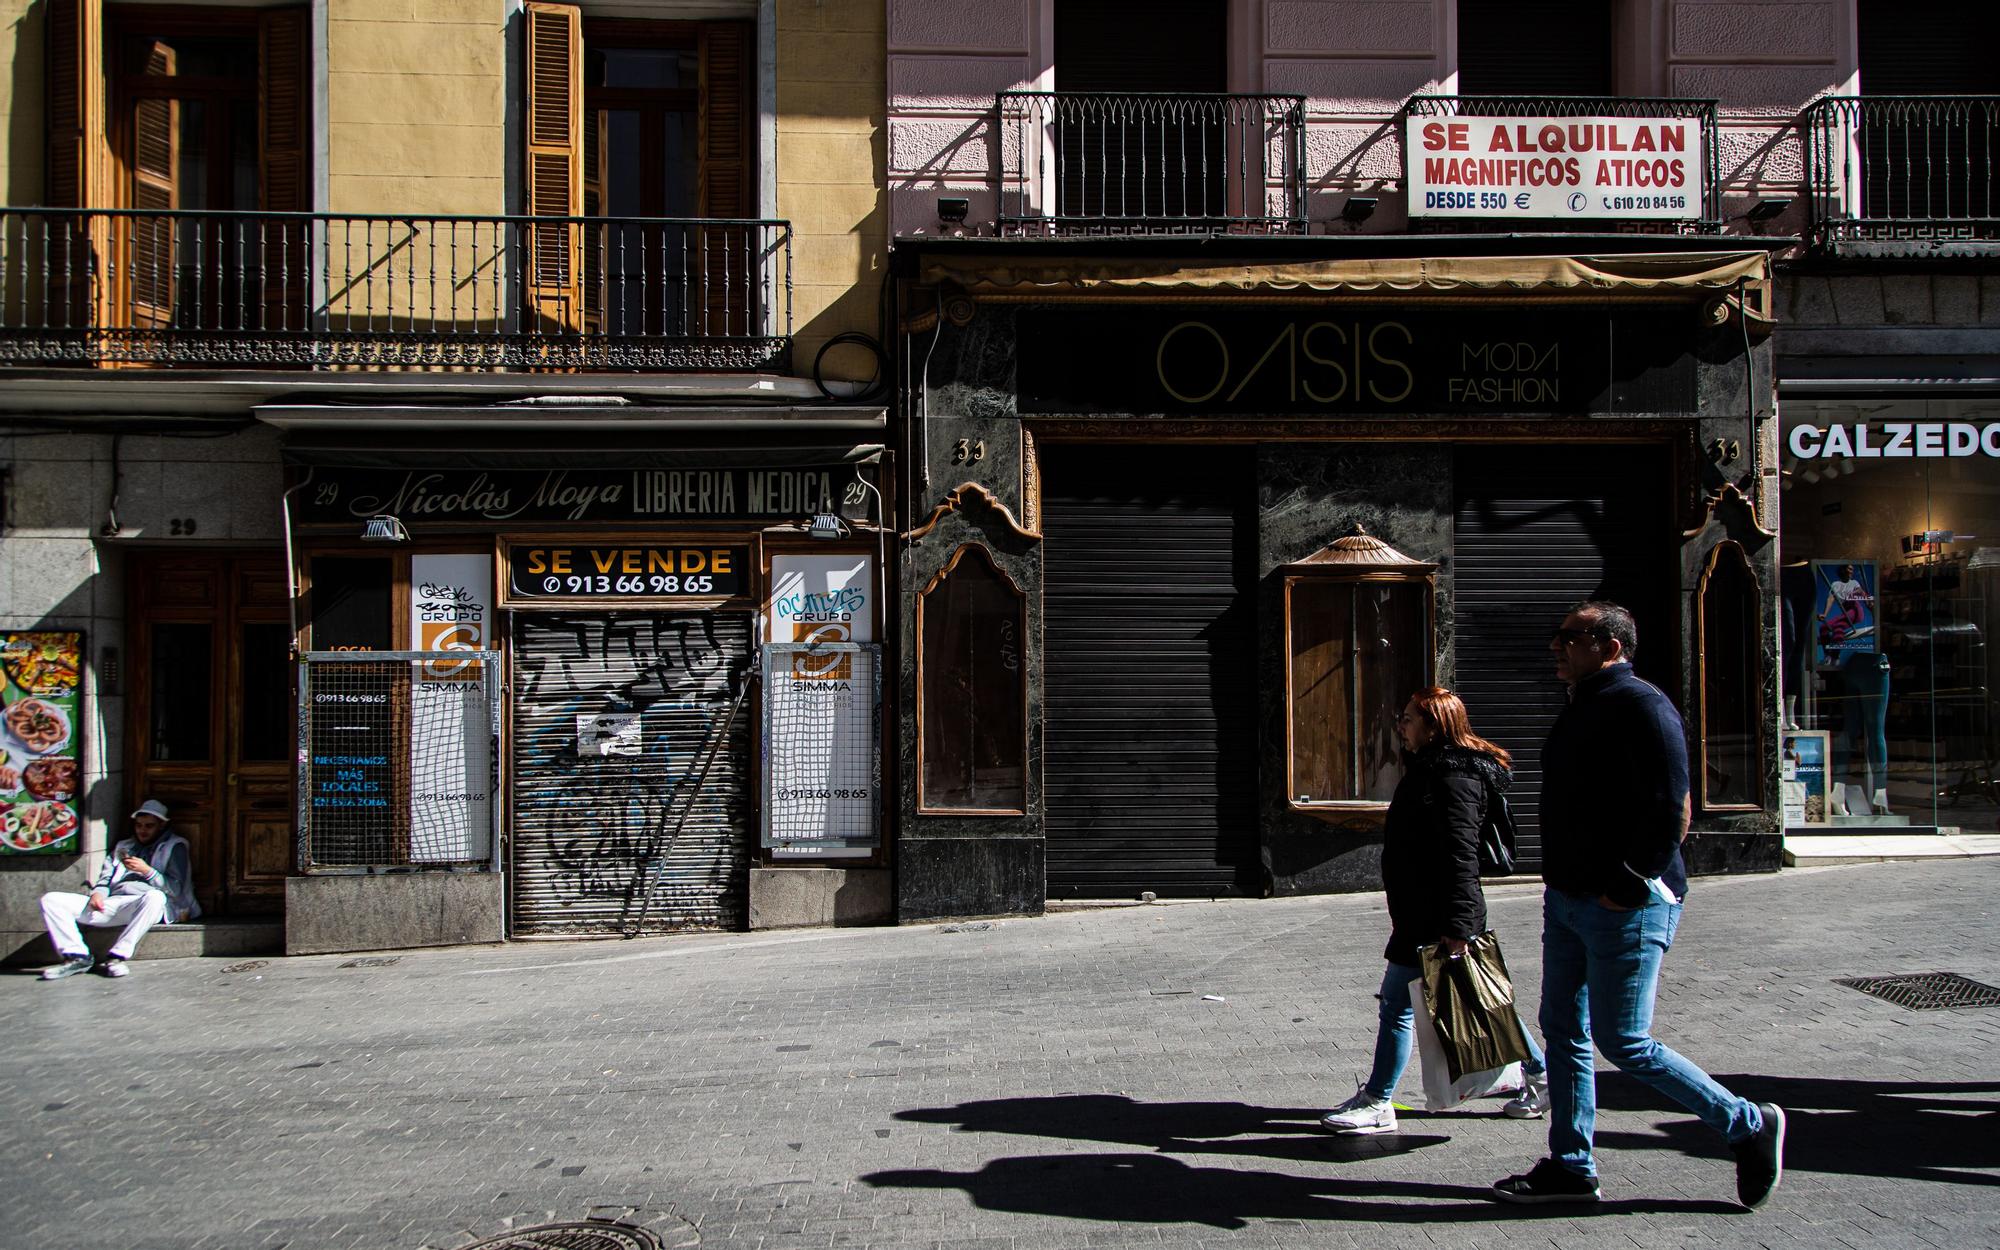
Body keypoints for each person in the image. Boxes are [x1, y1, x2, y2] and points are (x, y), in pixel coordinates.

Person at [1492, 601, 1785, 1209]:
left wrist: (1625, 884)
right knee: (1564, 1031)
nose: (1555, 647)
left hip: (1625, 902)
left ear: (1609, 645)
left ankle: (1747, 1124)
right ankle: (1572, 1167)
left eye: (1568, 637)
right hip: (1569, 898)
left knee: (1624, 1041)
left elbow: (1672, 808)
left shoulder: (1642, 706)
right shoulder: (1582, 705)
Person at [1320, 686, 1549, 1136]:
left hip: (1436, 914)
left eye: (1408, 718)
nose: (1400, 725)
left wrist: (1459, 926)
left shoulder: (1453, 777)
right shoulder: (1432, 768)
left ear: (1433, 724)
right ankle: (1544, 1076)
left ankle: (1378, 1101)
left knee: (1399, 1005)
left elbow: (1460, 854)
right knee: (1480, 998)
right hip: (1423, 910)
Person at [38, 798, 200, 980]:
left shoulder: (175, 846)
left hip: (148, 905)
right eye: (139, 825)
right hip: (116, 901)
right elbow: (105, 878)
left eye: (149, 826)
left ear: (161, 826)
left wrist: (147, 871)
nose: (143, 830)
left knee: (155, 897)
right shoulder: (124, 846)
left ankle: (117, 956)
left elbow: (176, 889)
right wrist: (98, 894)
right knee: (51, 900)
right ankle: (77, 956)